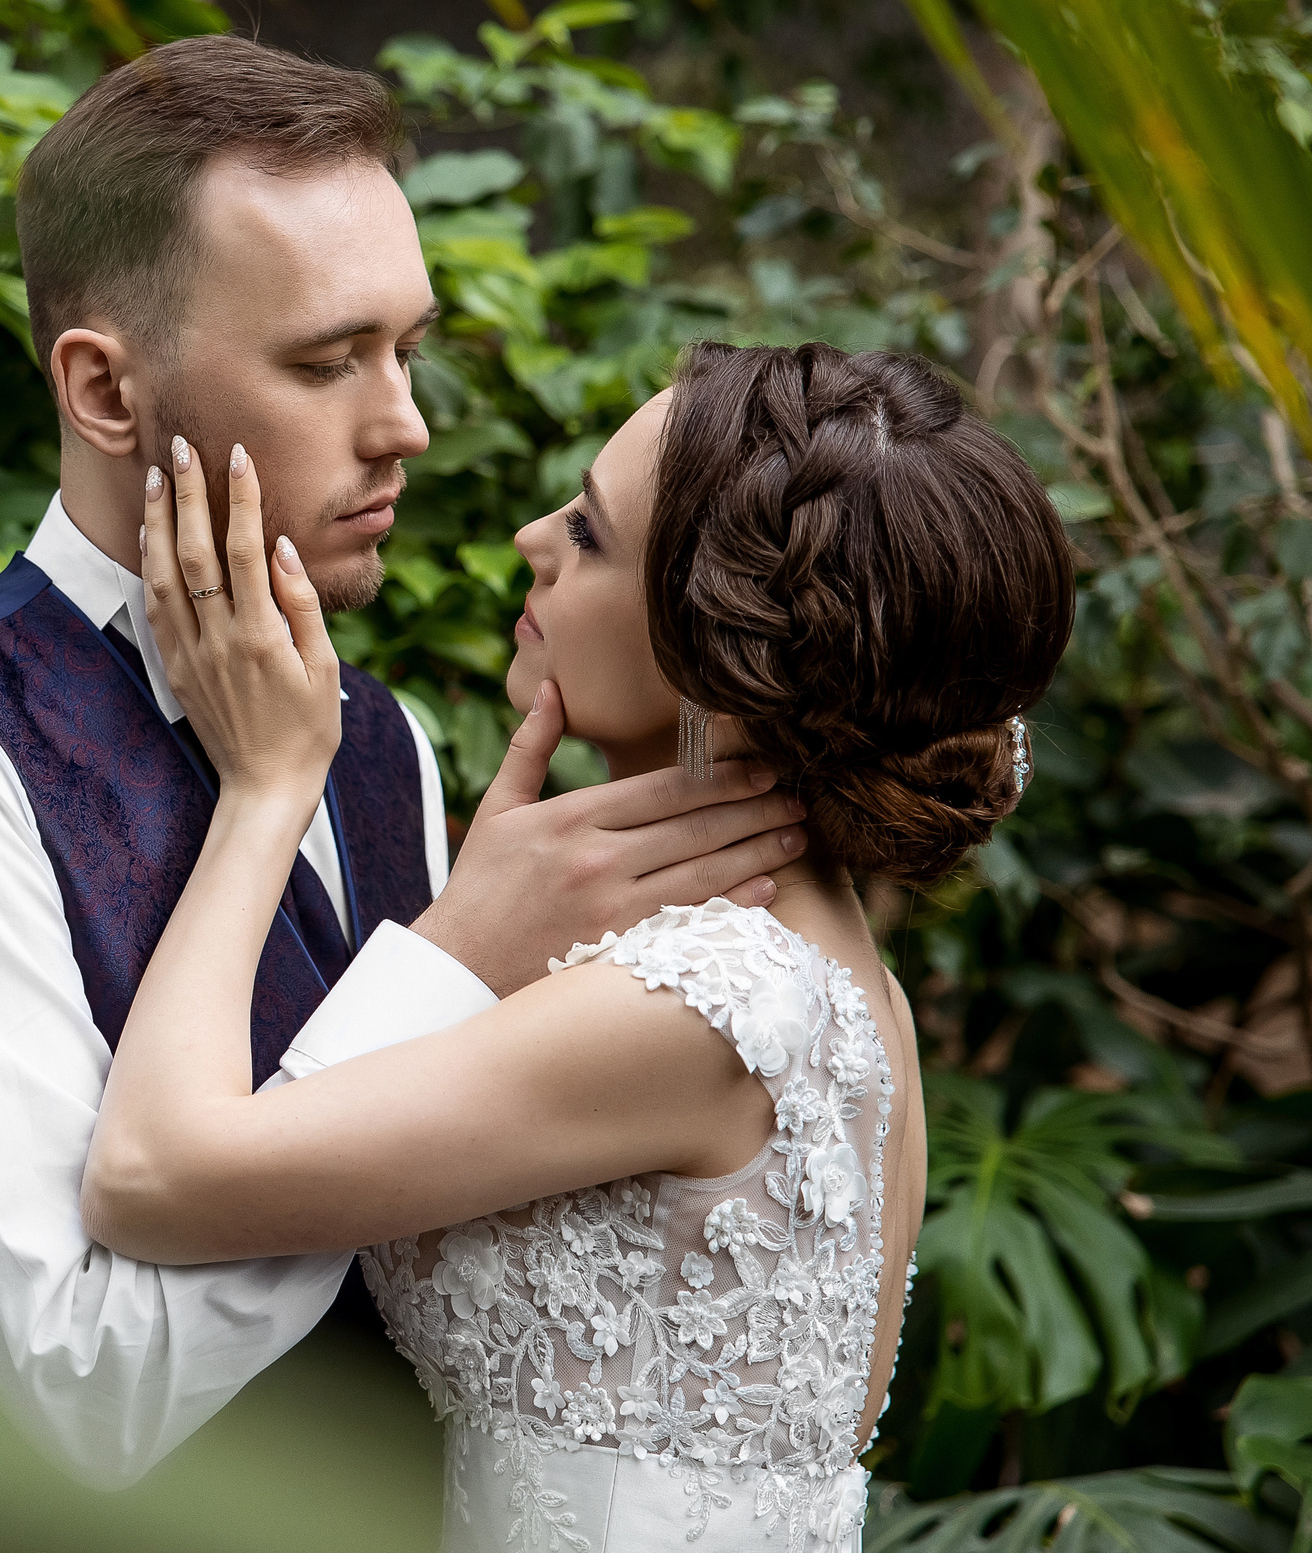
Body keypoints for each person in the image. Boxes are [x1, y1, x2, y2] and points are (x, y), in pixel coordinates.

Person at [0, 36, 807, 1546]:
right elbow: (86, 1385)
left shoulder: (388, 746)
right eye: (324, 361)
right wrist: (445, 965)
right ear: (106, 390)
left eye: (408, 349)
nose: (405, 425)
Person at [82, 341, 1078, 1550]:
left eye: (593, 537)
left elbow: (147, 1179)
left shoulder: (706, 1005)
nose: (530, 540)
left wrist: (265, 789)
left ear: (720, 648)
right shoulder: (831, 981)